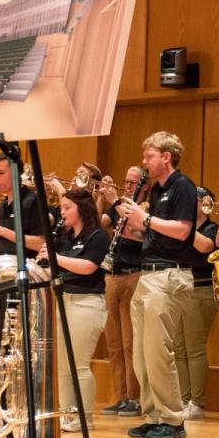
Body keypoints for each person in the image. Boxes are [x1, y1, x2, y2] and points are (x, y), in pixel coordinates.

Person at [113, 131, 198, 438]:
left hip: (168, 275)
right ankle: (152, 414)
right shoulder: (158, 191)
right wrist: (134, 220)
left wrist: (144, 220)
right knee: (142, 354)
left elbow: (182, 230)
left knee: (159, 351)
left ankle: (173, 419)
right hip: (148, 274)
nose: (144, 162)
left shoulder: (182, 187)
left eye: (149, 156)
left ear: (166, 157)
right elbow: (153, 232)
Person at [40, 188, 110, 432]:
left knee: (79, 364)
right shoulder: (65, 238)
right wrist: (41, 268)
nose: (62, 211)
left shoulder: (98, 236)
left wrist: (56, 258)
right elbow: (60, 271)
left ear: (81, 208)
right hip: (63, 301)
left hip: (87, 303)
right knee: (62, 366)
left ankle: (85, 417)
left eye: (67, 207)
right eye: (62, 207)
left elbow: (89, 267)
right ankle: (68, 415)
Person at [97, 167, 145, 418]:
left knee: (130, 342)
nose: (128, 185)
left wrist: (115, 200)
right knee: (114, 343)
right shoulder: (117, 205)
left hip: (133, 274)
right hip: (111, 274)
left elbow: (141, 233)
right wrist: (101, 195)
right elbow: (98, 224)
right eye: (125, 181)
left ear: (143, 184)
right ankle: (121, 396)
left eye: (133, 182)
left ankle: (135, 398)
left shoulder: (144, 205)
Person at [178, 187, 219, 421]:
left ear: (205, 203)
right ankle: (183, 399)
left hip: (201, 289)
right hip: (181, 287)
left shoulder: (211, 228)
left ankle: (197, 401)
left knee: (194, 347)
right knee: (179, 347)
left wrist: (184, 226)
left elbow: (206, 246)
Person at [0, 152, 45, 257]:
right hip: (7, 268)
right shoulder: (1, 206)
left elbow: (41, 244)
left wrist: (2, 231)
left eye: (1, 173)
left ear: (16, 173)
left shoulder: (34, 200)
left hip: (28, 268)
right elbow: (6, 247)